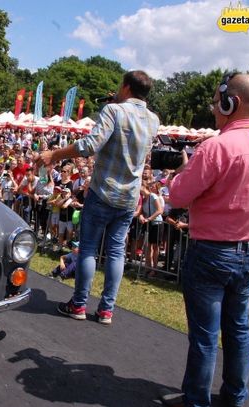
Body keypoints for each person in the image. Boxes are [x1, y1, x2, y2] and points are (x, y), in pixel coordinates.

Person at [166, 73, 249, 407]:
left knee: (205, 334)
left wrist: (184, 171)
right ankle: (234, 398)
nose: (214, 108)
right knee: (239, 328)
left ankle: (196, 400)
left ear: (232, 102)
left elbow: (180, 196)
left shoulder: (216, 146)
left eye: (216, 101)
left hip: (212, 251)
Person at [36, 70, 159, 323]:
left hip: (103, 191)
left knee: (89, 249)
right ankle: (106, 310)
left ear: (125, 87)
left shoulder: (114, 111)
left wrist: (54, 155)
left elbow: (90, 145)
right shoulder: (153, 119)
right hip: (128, 198)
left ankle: (79, 305)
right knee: (116, 252)